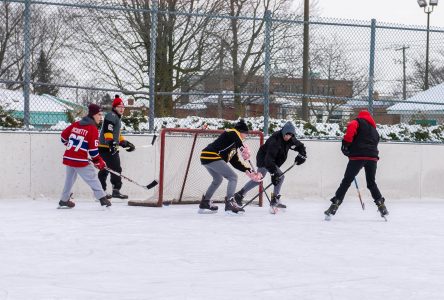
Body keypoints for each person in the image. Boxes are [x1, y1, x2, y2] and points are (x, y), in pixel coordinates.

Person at [324, 110, 388, 220]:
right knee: (371, 183)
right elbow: (375, 142)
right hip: (372, 158)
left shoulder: (357, 122)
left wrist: (346, 144)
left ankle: (335, 205)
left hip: (358, 157)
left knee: (347, 181)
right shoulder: (374, 130)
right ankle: (381, 206)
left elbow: (351, 128)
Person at [233, 121, 307, 210]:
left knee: (278, 177)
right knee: (260, 178)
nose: (288, 137)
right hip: (264, 158)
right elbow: (268, 160)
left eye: (290, 135)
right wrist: (274, 173)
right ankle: (240, 194)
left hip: (273, 160)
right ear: (283, 132)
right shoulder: (275, 141)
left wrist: (302, 154)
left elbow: (300, 146)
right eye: (287, 135)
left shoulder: (291, 139)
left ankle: (274, 199)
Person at [199, 119, 262, 214]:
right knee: (233, 177)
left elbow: (235, 162)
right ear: (241, 132)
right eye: (246, 134)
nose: (246, 136)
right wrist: (242, 149)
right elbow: (236, 137)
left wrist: (249, 170)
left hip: (206, 157)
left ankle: (205, 202)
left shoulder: (233, 145)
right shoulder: (232, 132)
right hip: (211, 155)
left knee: (218, 179)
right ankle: (230, 203)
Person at [59, 104, 111, 208]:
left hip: (69, 157)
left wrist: (73, 149)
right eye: (99, 114)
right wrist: (98, 161)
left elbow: (63, 138)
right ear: (92, 115)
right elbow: (93, 151)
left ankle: (64, 200)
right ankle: (102, 198)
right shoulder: (92, 129)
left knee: (70, 179)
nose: (101, 117)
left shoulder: (76, 124)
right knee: (92, 177)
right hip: (79, 160)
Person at [98, 95, 135, 199]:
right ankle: (112, 191)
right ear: (114, 107)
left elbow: (116, 133)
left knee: (106, 169)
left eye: (123, 107)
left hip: (109, 147)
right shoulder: (111, 116)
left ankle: (103, 192)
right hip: (106, 147)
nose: (122, 109)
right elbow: (108, 130)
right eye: (119, 107)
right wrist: (111, 142)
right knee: (113, 169)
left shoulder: (116, 117)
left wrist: (124, 143)